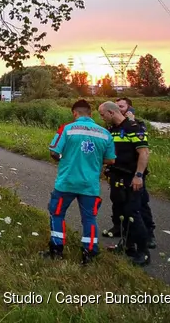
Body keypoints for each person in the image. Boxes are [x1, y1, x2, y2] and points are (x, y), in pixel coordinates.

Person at [41, 99, 116, 265]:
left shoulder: (67, 129)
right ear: (90, 113)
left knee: (57, 214)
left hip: (66, 182)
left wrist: (64, 158)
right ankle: (89, 252)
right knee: (89, 218)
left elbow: (54, 152)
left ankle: (57, 249)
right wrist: (94, 161)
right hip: (90, 185)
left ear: (75, 113)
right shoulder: (105, 134)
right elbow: (111, 160)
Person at [98, 101, 151, 266]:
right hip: (117, 176)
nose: (102, 117)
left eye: (102, 114)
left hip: (132, 177)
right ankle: (128, 246)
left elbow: (144, 153)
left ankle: (143, 251)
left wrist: (139, 175)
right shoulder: (112, 130)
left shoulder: (133, 128)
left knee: (133, 212)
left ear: (111, 113)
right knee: (121, 212)